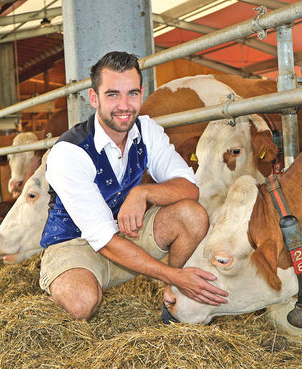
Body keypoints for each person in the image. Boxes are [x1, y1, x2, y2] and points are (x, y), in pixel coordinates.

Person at [39, 51, 228, 320]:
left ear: (141, 93)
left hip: (128, 232)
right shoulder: (70, 152)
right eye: (113, 94)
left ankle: (174, 304)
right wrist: (175, 274)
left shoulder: (146, 130)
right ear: (94, 98)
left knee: (191, 215)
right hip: (75, 244)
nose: (124, 105)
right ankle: (63, 281)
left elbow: (189, 187)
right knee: (81, 303)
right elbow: (103, 240)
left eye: (132, 94)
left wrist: (144, 192)